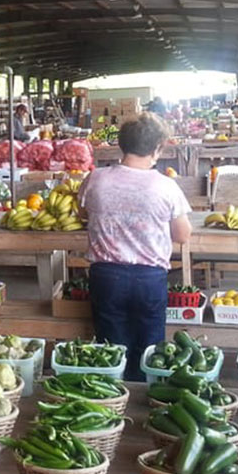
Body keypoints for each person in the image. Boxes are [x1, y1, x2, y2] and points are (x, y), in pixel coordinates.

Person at [79, 113, 193, 380]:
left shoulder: (96, 179)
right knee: (149, 350)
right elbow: (182, 235)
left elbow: (83, 214)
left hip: (106, 276)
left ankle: (114, 398)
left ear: (121, 144)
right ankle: (144, 398)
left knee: (111, 347)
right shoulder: (166, 187)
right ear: (157, 149)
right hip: (149, 278)